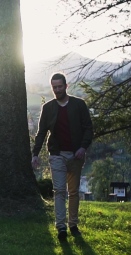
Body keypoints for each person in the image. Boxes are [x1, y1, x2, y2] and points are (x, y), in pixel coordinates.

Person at [31, 72, 93, 241]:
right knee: (59, 191)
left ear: (66, 86)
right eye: (54, 87)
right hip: (56, 155)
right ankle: (61, 228)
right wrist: (35, 154)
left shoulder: (79, 105)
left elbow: (88, 128)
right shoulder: (48, 108)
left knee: (73, 192)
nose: (57, 90)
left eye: (60, 87)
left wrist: (83, 147)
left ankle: (73, 224)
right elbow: (41, 132)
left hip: (76, 155)